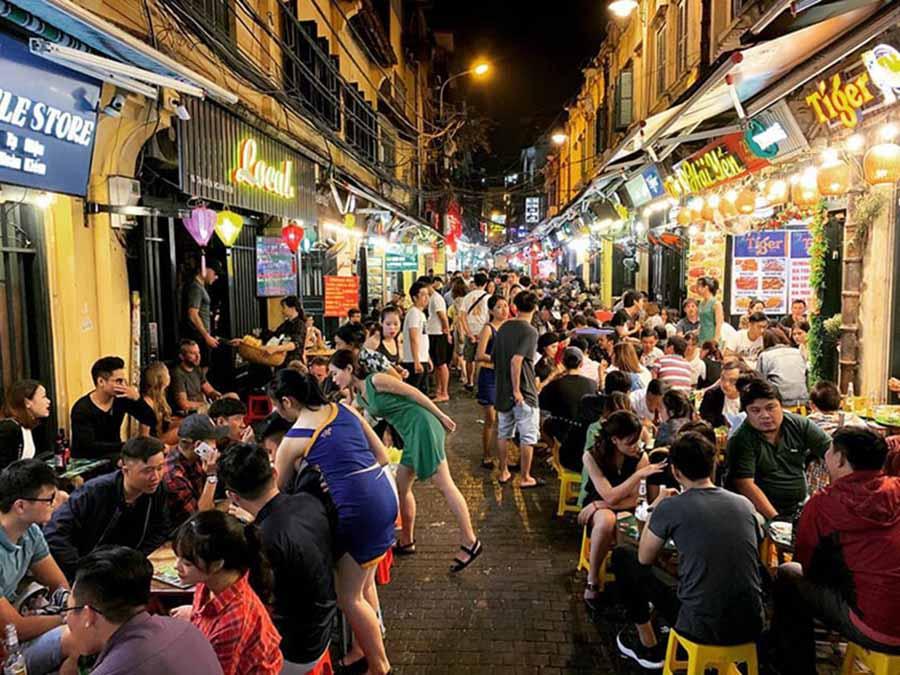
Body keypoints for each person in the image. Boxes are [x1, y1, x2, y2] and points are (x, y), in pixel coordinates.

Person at [269, 370, 395, 675]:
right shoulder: (343, 408)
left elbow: (276, 493)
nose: (275, 412)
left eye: (276, 405)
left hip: (357, 510)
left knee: (347, 596)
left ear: (287, 401)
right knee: (363, 583)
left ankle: (380, 665)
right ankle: (364, 646)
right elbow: (381, 455)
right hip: (383, 494)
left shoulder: (293, 439)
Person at [612, 432, 764, 670]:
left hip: (700, 627)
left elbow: (644, 557)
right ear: (713, 464)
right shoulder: (744, 504)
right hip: (752, 625)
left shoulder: (671, 506)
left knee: (623, 556)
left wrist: (657, 506)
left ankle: (646, 644)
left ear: (676, 472)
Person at [330, 350, 481, 572]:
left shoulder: (376, 380)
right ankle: (407, 540)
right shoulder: (359, 394)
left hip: (423, 426)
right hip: (410, 434)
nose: (333, 379)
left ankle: (470, 541)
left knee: (445, 485)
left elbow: (413, 393)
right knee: (401, 486)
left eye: (335, 373)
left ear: (349, 369)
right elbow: (357, 418)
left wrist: (441, 415)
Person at [772, 428, 900, 674]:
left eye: (830, 449)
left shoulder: (823, 504)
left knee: (788, 576)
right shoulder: (896, 488)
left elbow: (807, 566)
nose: (825, 454)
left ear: (840, 459)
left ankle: (794, 668)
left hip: (879, 629)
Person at [218, 444, 336, 672]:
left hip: (296, 650)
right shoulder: (308, 501)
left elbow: (252, 603)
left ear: (233, 496)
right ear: (274, 474)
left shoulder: (263, 539)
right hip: (323, 625)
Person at [64, 546, 223, 675]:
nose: (65, 619)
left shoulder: (117, 669)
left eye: (68, 609)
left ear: (88, 615)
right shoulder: (186, 629)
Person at [169, 511, 283, 674]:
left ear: (217, 565)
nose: (176, 566)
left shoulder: (234, 622)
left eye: (187, 562)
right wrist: (196, 614)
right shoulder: (210, 582)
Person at [44, 437, 171, 581]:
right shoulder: (95, 491)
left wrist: (137, 559)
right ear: (125, 470)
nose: (155, 477)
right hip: (87, 570)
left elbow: (161, 529)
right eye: (147, 470)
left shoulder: (157, 491)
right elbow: (54, 533)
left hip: (126, 569)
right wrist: (81, 568)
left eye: (160, 468)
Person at [578, 411, 660, 612]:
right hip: (601, 500)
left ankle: (636, 586)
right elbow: (610, 495)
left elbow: (637, 499)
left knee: (624, 521)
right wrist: (638, 475)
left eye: (638, 441)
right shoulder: (591, 456)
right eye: (631, 442)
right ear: (614, 440)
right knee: (606, 521)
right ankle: (593, 579)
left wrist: (600, 505)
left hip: (620, 504)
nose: (636, 447)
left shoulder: (641, 457)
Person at [0, 460, 76, 674]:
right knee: (75, 637)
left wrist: (71, 609)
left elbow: (58, 585)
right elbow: (13, 629)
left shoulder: (30, 532)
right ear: (20, 506)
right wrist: (68, 617)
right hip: (7, 644)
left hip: (16, 629)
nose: (56, 503)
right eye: (49, 499)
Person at [725, 377, 830, 519]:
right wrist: (776, 520)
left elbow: (833, 454)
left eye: (770, 407)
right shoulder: (741, 440)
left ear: (781, 406)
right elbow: (745, 484)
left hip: (800, 506)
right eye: (756, 410)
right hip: (757, 512)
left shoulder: (800, 425)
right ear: (747, 414)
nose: (765, 415)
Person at [492, 291, 543, 488]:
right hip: (524, 392)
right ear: (535, 308)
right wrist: (517, 391)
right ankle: (525, 477)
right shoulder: (530, 331)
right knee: (528, 436)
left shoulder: (504, 327)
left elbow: (495, 357)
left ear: (515, 306)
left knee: (504, 433)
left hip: (502, 389)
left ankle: (504, 471)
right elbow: (517, 360)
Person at [70, 356, 157, 459]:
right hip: (89, 460)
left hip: (115, 455)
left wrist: (137, 399)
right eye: (118, 381)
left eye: (124, 381)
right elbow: (88, 447)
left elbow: (151, 420)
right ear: (101, 382)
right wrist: (127, 445)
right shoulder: (82, 409)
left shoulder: (121, 399)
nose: (123, 385)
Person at [539, 347, 598, 473]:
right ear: (581, 363)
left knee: (543, 424)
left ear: (563, 363)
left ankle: (556, 451)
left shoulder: (556, 384)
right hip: (585, 431)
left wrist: (552, 377)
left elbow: (541, 403)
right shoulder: (592, 384)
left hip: (561, 428)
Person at [164, 415, 226, 528]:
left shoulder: (196, 459)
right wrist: (211, 476)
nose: (216, 446)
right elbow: (202, 518)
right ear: (199, 446)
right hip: (184, 532)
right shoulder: (174, 475)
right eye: (213, 441)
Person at [475, 295, 508, 469]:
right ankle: (486, 454)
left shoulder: (510, 327)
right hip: (489, 377)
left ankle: (504, 456)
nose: (504, 310)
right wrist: (498, 360)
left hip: (505, 378)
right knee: (490, 417)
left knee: (505, 419)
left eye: (505, 305)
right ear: (491, 311)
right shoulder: (488, 329)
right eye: (499, 307)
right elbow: (479, 355)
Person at [0, 380, 51, 470]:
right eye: (44, 397)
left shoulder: (28, 426)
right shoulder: (8, 429)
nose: (48, 401)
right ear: (27, 402)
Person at [757, 327, 809, 407]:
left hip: (780, 403)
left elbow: (760, 382)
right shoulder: (797, 352)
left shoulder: (765, 356)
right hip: (803, 400)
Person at [184, 260, 223, 361]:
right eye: (215, 273)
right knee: (201, 369)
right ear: (205, 270)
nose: (216, 277)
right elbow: (193, 314)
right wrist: (206, 336)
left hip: (202, 337)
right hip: (199, 338)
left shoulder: (201, 287)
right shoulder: (196, 287)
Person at [171, 340, 222, 415]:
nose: (198, 356)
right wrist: (207, 405)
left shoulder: (197, 369)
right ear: (181, 356)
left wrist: (216, 396)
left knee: (232, 396)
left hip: (205, 407)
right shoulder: (178, 374)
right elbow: (184, 404)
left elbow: (209, 390)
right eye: (193, 353)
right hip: (192, 412)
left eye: (198, 352)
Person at [460, 273, 492, 390]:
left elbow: (462, 316)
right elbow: (490, 316)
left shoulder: (467, 297)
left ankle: (470, 382)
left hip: (471, 332)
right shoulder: (489, 298)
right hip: (484, 332)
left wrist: (468, 333)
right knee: (482, 358)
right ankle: (480, 383)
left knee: (469, 359)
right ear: (485, 284)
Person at [400, 280, 432, 395]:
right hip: (413, 360)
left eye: (428, 294)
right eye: (423, 295)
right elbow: (413, 338)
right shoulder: (413, 313)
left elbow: (423, 337)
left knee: (423, 392)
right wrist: (417, 361)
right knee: (415, 394)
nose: (426, 298)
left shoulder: (421, 314)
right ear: (414, 297)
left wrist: (427, 358)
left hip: (421, 358)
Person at [426, 276, 452, 402]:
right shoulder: (431, 298)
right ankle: (438, 390)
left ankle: (444, 392)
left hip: (438, 334)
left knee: (441, 364)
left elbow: (443, 317)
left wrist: (447, 332)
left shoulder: (436, 299)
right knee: (437, 365)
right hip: (433, 333)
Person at [138, 362, 177, 445]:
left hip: (159, 438)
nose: (170, 376)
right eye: (167, 374)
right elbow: (144, 436)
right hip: (152, 444)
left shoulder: (160, 398)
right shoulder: (148, 402)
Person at [699, 360, 745, 429]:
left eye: (732, 381)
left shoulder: (750, 399)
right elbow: (705, 423)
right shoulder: (711, 396)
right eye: (723, 379)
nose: (726, 384)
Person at [267, 295, 307, 365]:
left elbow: (294, 344)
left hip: (293, 363)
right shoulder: (285, 324)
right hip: (281, 362)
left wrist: (275, 348)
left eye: (284, 307)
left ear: (292, 308)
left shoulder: (300, 325)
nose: (282, 310)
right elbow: (275, 335)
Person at [696, 276, 724, 345]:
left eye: (699, 286)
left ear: (706, 287)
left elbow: (719, 323)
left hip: (712, 335)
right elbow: (701, 321)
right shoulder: (701, 303)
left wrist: (716, 339)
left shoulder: (716, 303)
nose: (697, 289)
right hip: (701, 336)